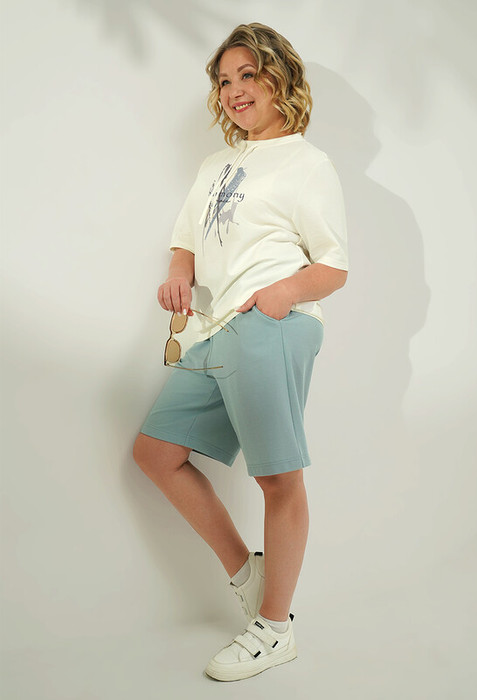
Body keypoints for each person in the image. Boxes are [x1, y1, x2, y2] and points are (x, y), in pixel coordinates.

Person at [133, 22, 348, 682]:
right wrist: (178, 274)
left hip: (271, 325)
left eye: (247, 75)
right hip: (215, 327)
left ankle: (275, 629)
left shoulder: (308, 165)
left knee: (277, 477)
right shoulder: (215, 165)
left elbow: (333, 266)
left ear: (279, 78)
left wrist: (280, 294)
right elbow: (185, 241)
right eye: (225, 81)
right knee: (156, 453)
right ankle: (250, 575)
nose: (233, 90)